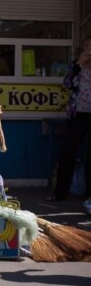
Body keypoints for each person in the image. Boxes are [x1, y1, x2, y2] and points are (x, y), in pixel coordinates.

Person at [50, 36, 91, 214]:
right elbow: (66, 83)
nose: (88, 48)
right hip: (78, 113)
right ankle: (60, 193)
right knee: (68, 150)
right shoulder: (77, 64)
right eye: (87, 45)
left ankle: (88, 195)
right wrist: (78, 66)